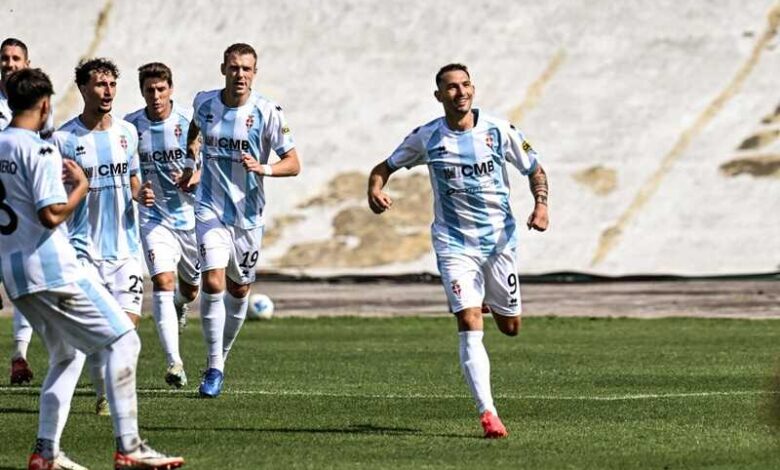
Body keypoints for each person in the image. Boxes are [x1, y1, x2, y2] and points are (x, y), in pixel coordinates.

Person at [0, 67, 184, 470]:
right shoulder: (42, 149)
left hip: (16, 277)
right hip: (54, 269)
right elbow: (51, 214)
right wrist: (81, 186)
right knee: (125, 341)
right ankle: (130, 448)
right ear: (44, 105)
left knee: (66, 357)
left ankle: (46, 452)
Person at [367, 63, 549, 438]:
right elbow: (383, 168)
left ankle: (487, 301)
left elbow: (535, 169)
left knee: (511, 327)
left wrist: (541, 206)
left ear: (473, 89)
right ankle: (488, 413)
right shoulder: (428, 136)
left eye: (465, 85)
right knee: (468, 320)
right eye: (451, 87)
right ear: (439, 96)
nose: (460, 92)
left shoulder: (499, 130)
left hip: (498, 242)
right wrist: (375, 190)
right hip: (454, 244)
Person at [177, 43, 300, 398]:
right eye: (234, 68)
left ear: (254, 73)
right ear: (223, 70)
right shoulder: (205, 103)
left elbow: (293, 163)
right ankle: (214, 366)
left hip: (248, 215)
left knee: (239, 289)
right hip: (210, 208)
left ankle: (222, 356)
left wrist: (263, 168)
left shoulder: (268, 112)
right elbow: (194, 130)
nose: (240, 74)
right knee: (212, 280)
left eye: (246, 69)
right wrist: (191, 163)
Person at [52, 57, 154, 415]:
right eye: (99, 84)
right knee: (99, 332)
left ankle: (108, 393)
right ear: (83, 88)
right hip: (83, 252)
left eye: (112, 84)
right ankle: (104, 393)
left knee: (124, 331)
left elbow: (133, 179)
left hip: (125, 249)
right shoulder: (64, 139)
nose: (107, 91)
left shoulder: (127, 133)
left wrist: (140, 193)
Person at [125, 62, 200, 389]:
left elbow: (212, 164)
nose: (155, 96)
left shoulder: (189, 121)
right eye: (149, 90)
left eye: (160, 89)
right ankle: (174, 362)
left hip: (191, 219)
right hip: (154, 218)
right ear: (142, 91)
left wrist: (196, 176)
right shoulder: (130, 127)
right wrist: (137, 191)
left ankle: (181, 305)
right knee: (162, 281)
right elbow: (127, 173)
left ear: (171, 89)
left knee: (191, 289)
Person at [1, 37, 54, 386]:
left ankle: (19, 355)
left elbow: (46, 148)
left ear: (26, 62)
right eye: (4, 58)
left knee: (25, 282)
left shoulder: (37, 104)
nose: (9, 63)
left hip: (21, 208)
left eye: (15, 58)